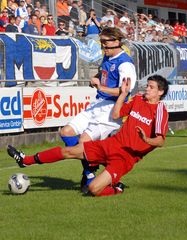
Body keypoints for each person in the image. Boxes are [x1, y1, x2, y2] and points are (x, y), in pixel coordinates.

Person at [7, 75, 169, 197]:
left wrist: (146, 140)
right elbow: (116, 114)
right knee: (69, 151)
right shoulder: (138, 99)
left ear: (160, 92)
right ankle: (25, 160)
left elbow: (161, 141)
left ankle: (117, 188)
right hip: (111, 144)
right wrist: (123, 94)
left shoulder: (160, 110)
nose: (147, 89)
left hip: (125, 158)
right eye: (147, 85)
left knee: (94, 189)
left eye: (151, 87)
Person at [60, 27, 137, 192]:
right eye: (101, 44)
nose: (103, 47)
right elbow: (103, 75)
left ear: (117, 42)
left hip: (110, 109)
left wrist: (101, 86)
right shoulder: (107, 57)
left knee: (84, 143)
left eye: (105, 43)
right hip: (97, 103)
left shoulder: (125, 64)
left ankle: (90, 176)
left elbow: (123, 91)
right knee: (66, 132)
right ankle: (91, 171)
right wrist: (95, 79)